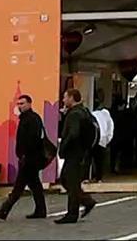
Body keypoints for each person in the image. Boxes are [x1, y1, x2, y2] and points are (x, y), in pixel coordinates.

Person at [0, 94, 48, 220]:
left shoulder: (32, 119)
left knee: (19, 187)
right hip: (28, 158)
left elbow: (32, 139)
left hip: (29, 159)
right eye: (19, 104)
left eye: (22, 103)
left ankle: (4, 210)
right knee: (35, 186)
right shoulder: (26, 118)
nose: (20, 106)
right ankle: (41, 210)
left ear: (29, 104)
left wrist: (24, 155)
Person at [55, 88, 97, 225]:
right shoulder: (83, 111)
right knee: (67, 180)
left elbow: (73, 133)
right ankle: (85, 201)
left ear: (72, 98)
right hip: (81, 152)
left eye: (65, 97)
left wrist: (64, 146)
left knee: (70, 182)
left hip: (74, 153)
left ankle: (73, 212)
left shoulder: (75, 114)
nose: (63, 100)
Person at [91, 103, 114, 183]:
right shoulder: (107, 117)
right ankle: (98, 177)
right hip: (102, 139)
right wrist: (107, 140)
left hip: (94, 137)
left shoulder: (94, 114)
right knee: (99, 160)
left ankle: (92, 176)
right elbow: (110, 130)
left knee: (92, 158)